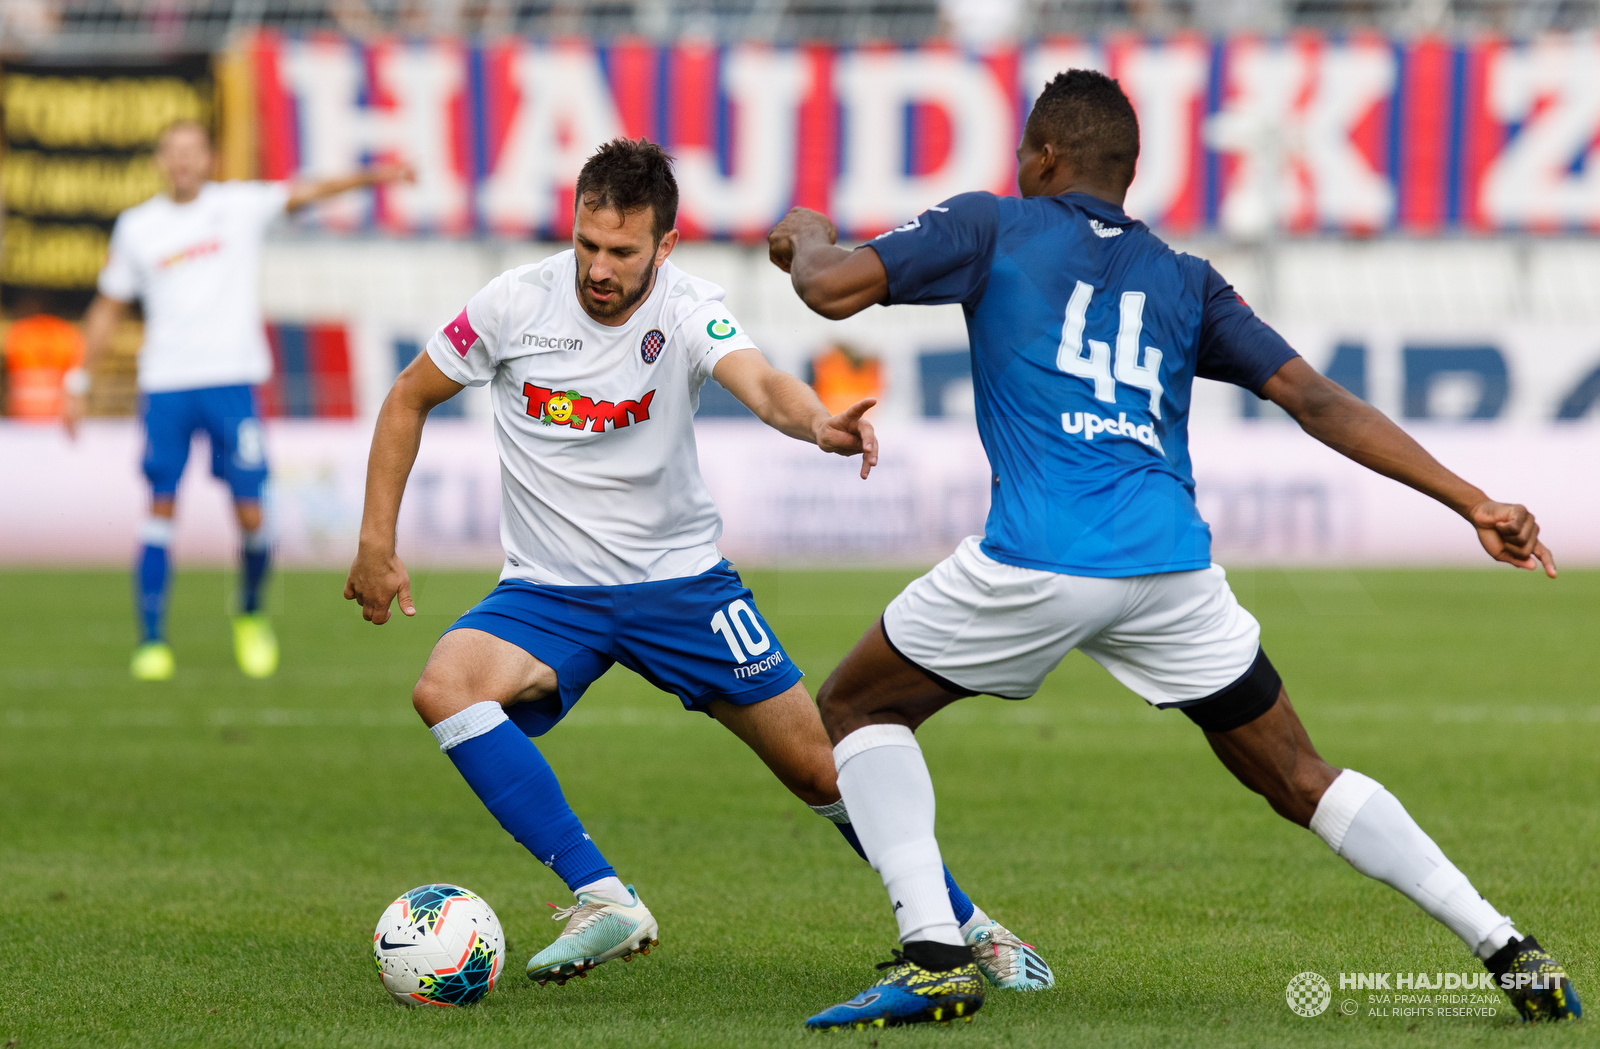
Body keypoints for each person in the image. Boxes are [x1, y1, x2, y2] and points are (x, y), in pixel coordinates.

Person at [768, 69, 1580, 1030]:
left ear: (1047, 157)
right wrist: (1474, 500)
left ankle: (937, 955)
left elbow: (828, 290)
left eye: (1025, 152)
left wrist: (806, 230)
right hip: (1170, 575)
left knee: (858, 703)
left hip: (1038, 556)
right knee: (1300, 774)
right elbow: (1317, 399)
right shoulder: (1188, 279)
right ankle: (1506, 945)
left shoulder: (992, 224)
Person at [343, 138, 1054, 993]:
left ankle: (971, 927)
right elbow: (408, 395)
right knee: (444, 687)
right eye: (587, 244)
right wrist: (376, 542)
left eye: (622, 251)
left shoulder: (685, 306)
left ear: (664, 246)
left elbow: (756, 380)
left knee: (823, 768)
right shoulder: (511, 303)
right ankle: (603, 895)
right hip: (548, 594)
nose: (598, 268)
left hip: (682, 587)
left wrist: (818, 421)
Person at [70, 119, 412, 681]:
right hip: (167, 386)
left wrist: (376, 175)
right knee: (159, 507)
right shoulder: (137, 227)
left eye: (193, 151)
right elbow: (108, 307)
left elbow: (308, 191)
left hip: (232, 382)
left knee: (253, 516)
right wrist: (78, 382)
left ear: (209, 158)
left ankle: (250, 612)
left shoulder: (239, 206)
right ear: (161, 160)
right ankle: (151, 640)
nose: (183, 162)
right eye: (173, 152)